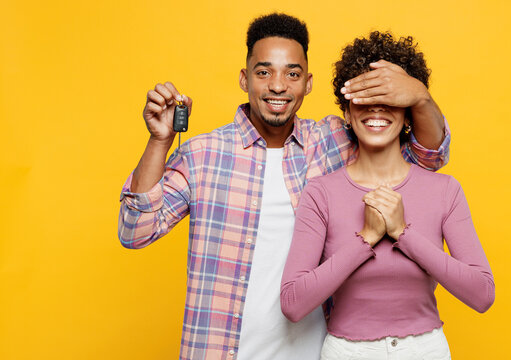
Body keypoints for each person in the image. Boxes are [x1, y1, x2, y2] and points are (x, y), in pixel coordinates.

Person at [118, 14, 450, 360]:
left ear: (307, 83)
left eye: (292, 74)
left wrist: (420, 98)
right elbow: (135, 231)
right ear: (245, 80)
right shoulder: (204, 154)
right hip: (219, 350)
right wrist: (159, 142)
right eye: (264, 73)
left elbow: (427, 157)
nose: (278, 86)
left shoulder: (334, 141)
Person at [280, 31, 494, 360]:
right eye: (365, 98)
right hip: (346, 352)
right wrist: (366, 238)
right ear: (348, 113)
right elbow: (293, 304)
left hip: (425, 350)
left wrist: (402, 233)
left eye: (390, 99)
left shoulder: (444, 190)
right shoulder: (321, 193)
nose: (377, 109)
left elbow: (482, 294)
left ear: (408, 115)